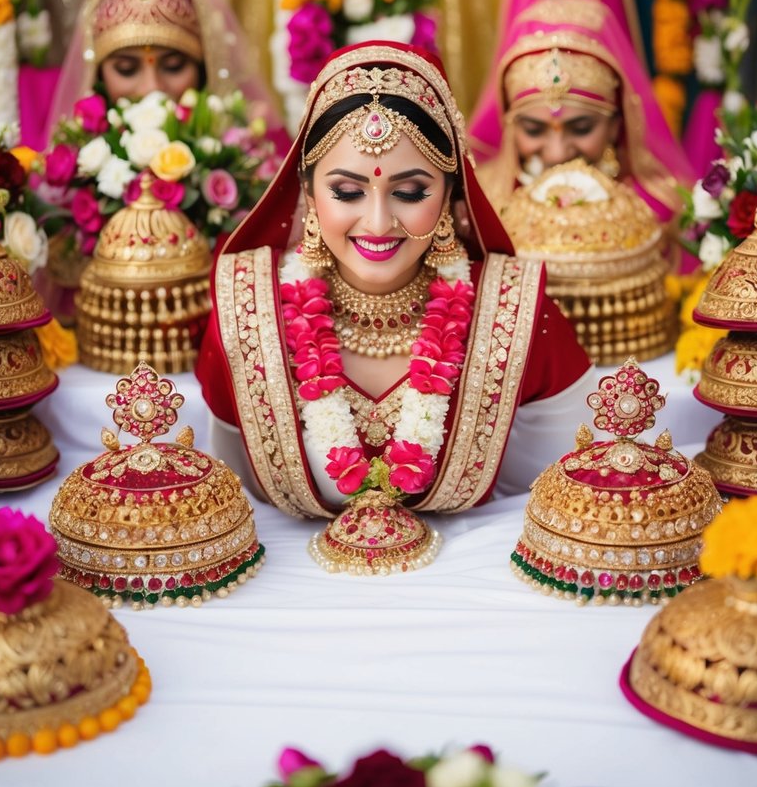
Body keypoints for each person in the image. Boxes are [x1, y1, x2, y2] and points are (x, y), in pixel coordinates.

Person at [197, 41, 594, 518]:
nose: (379, 223)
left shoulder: (516, 313)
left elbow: (560, 497)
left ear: (450, 195)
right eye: (347, 191)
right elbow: (231, 497)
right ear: (307, 192)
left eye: (409, 192)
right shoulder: (247, 311)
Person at [469, 0, 692, 225]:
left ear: (615, 126)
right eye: (534, 130)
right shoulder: (479, 209)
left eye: (581, 128)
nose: (557, 153)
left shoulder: (657, 215)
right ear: (511, 126)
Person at [45, 0, 288, 148]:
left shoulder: (248, 160)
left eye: (174, 66)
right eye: (127, 68)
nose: (152, 89)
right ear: (97, 74)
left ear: (204, 67)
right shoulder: (76, 177)